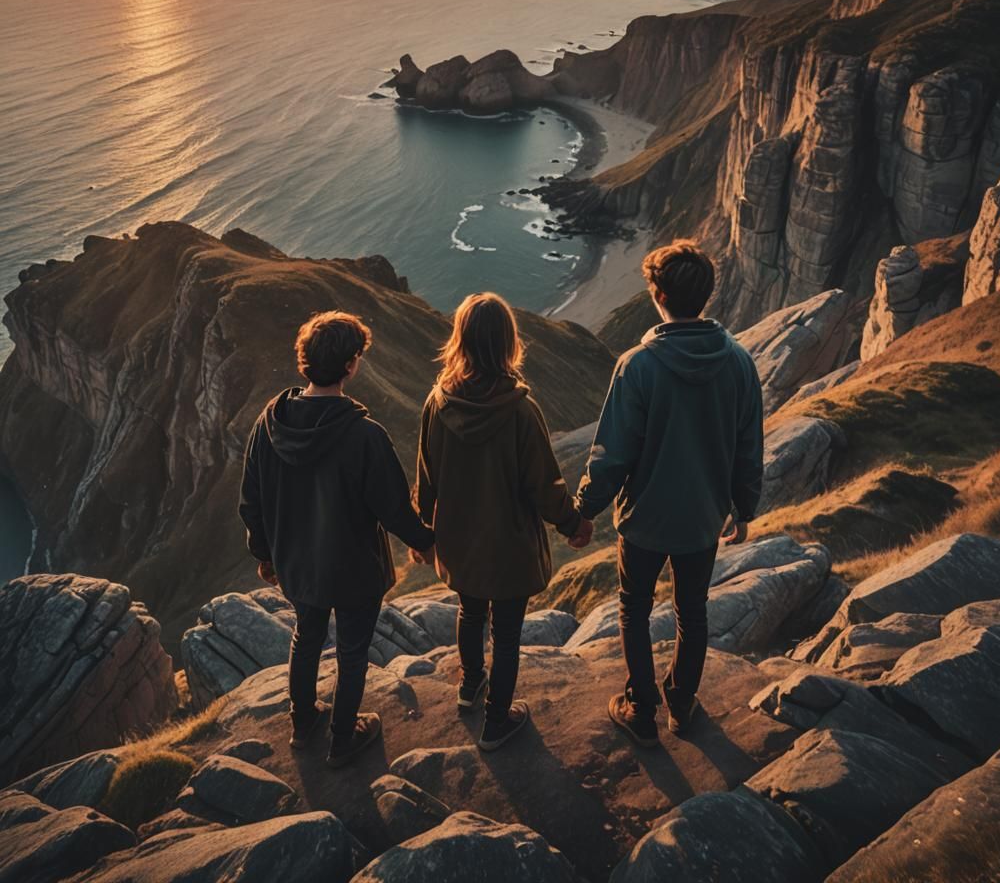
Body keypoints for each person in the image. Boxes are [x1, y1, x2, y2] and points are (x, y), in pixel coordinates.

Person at [575, 239, 763, 746]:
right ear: (707, 294)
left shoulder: (637, 366)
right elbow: (749, 446)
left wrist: (584, 510)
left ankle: (641, 708)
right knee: (692, 611)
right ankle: (681, 703)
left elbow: (611, 454)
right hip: (703, 518)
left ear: (656, 295)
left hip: (644, 520)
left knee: (634, 608)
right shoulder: (740, 364)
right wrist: (744, 508)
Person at [239, 311, 434, 768]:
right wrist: (425, 541)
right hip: (354, 568)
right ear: (350, 366)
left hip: (296, 564)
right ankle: (344, 737)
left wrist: (265, 554)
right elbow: (393, 509)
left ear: (304, 361)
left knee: (305, 637)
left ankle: (304, 721)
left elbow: (251, 500)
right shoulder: (365, 436)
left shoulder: (269, 426)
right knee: (351, 650)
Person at [413, 293, 593, 751]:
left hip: (460, 541)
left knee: (470, 613)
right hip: (509, 545)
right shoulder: (519, 411)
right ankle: (497, 720)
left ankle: (470, 686)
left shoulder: (438, 402)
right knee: (507, 632)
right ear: (507, 344)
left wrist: (422, 530)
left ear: (461, 341)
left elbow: (426, 475)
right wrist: (572, 523)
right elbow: (544, 485)